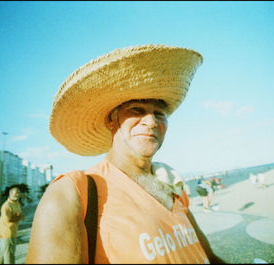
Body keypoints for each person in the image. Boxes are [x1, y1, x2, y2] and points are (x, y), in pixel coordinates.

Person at [26, 44, 223, 263]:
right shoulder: (75, 193)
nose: (151, 122)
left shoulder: (173, 187)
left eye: (159, 114)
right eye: (137, 110)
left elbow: (209, 257)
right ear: (111, 120)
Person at [0, 186, 25, 264]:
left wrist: (18, 216)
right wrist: (18, 217)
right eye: (16, 193)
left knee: (2, 253)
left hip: (13, 231)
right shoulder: (6, 205)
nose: (17, 194)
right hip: (7, 233)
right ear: (10, 194)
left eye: (18, 192)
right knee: (9, 255)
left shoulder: (17, 203)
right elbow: (8, 219)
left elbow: (20, 215)